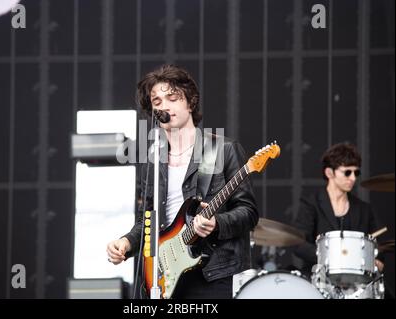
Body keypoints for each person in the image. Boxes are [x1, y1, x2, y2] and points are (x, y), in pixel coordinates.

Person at [106, 64, 258, 299]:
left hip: (213, 274)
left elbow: (249, 213)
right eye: (156, 101)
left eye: (172, 98)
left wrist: (216, 223)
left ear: (190, 102)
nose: (164, 105)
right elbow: (148, 220)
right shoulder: (152, 160)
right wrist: (126, 242)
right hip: (164, 273)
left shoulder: (222, 150)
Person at [293, 142, 384, 277]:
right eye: (347, 172)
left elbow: (378, 245)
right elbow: (298, 244)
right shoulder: (311, 204)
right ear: (329, 172)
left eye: (356, 172)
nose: (353, 178)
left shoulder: (364, 209)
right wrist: (333, 258)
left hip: (358, 282)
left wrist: (377, 259)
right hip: (319, 279)